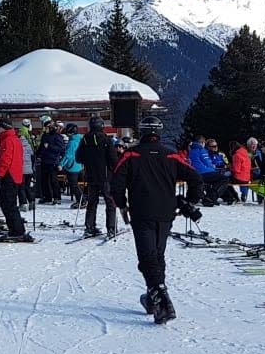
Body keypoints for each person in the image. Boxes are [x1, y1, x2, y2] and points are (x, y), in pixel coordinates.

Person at [110, 116, 203, 324]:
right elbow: (196, 177)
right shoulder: (171, 154)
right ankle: (153, 299)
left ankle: (161, 298)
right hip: (166, 212)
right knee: (156, 255)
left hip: (141, 211)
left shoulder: (131, 154)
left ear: (142, 132)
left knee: (147, 256)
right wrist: (189, 202)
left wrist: (122, 205)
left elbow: (115, 184)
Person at [0, 119, 33, 242]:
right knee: (10, 204)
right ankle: (16, 229)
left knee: (7, 204)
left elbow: (5, 160)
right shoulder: (16, 139)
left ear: (3, 127)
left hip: (8, 175)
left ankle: (17, 231)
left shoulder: (7, 140)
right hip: (16, 174)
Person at [78, 117, 118, 237]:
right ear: (101, 126)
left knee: (92, 202)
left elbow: (78, 157)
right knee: (110, 202)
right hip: (105, 176)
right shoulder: (106, 139)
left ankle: (89, 227)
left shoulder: (84, 139)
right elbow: (113, 159)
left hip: (90, 175)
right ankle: (111, 229)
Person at [36, 122, 67, 204]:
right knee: (44, 180)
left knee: (53, 180)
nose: (45, 129)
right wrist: (37, 155)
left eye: (47, 128)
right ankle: (47, 197)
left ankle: (57, 197)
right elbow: (41, 147)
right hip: (44, 160)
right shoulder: (44, 136)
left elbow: (61, 149)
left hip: (53, 161)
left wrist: (50, 146)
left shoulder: (57, 137)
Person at [60, 124, 83, 206]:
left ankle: (81, 200)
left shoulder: (72, 142)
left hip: (72, 166)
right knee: (74, 184)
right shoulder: (79, 139)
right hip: (78, 164)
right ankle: (80, 199)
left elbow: (68, 155)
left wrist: (61, 164)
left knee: (73, 185)